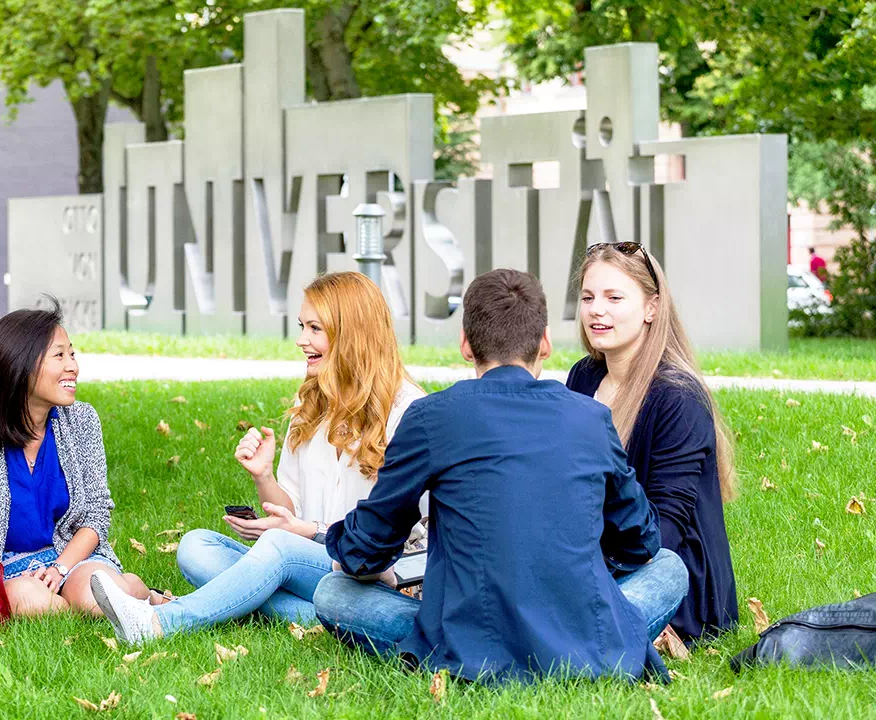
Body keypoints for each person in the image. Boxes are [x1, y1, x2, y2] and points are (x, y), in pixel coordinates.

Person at [305, 269, 687, 683]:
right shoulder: (590, 418)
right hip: (582, 640)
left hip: (469, 647)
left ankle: (471, 649)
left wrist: (340, 541)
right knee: (669, 567)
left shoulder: (432, 418)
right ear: (544, 343)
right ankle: (601, 640)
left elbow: (368, 547)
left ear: (466, 345)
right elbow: (641, 541)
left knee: (334, 593)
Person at [91, 272, 424, 642]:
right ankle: (316, 618)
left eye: (315, 328)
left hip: (372, 574)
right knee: (197, 547)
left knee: (278, 548)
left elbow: (417, 539)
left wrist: (308, 535)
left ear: (352, 334)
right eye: (302, 326)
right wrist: (263, 476)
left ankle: (159, 621)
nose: (301, 340)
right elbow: (288, 513)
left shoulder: (407, 411)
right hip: (310, 561)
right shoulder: (310, 404)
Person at [566, 241, 739, 642]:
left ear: (651, 308)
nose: (596, 310)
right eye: (589, 297)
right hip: (598, 554)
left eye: (614, 297)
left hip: (673, 576)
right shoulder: (584, 377)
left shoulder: (677, 396)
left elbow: (667, 531)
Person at [0, 303, 155, 616]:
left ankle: (144, 595)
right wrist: (13, 580)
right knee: (36, 603)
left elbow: (96, 515)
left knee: (96, 598)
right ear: (20, 365)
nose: (73, 367)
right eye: (59, 355)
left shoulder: (81, 421)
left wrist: (60, 569)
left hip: (70, 557)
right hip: (3, 567)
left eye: (72, 354)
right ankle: (108, 598)